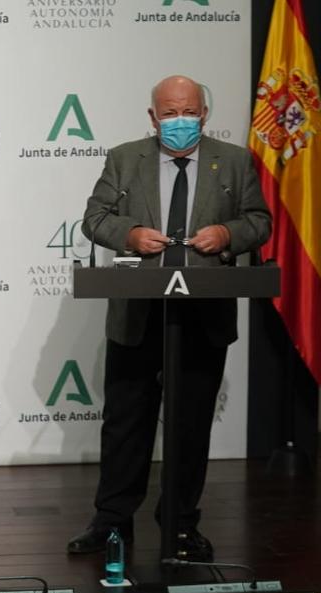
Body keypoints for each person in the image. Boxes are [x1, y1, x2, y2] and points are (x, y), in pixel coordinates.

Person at [68, 75, 271, 561]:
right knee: (126, 422)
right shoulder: (124, 159)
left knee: (191, 422)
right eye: (169, 113)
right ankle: (112, 521)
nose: (180, 121)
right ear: (153, 117)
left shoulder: (236, 161)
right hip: (139, 313)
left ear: (204, 114)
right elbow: (93, 218)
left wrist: (226, 232)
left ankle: (180, 522)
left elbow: (259, 221)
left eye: (189, 112)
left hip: (203, 315)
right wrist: (131, 234)